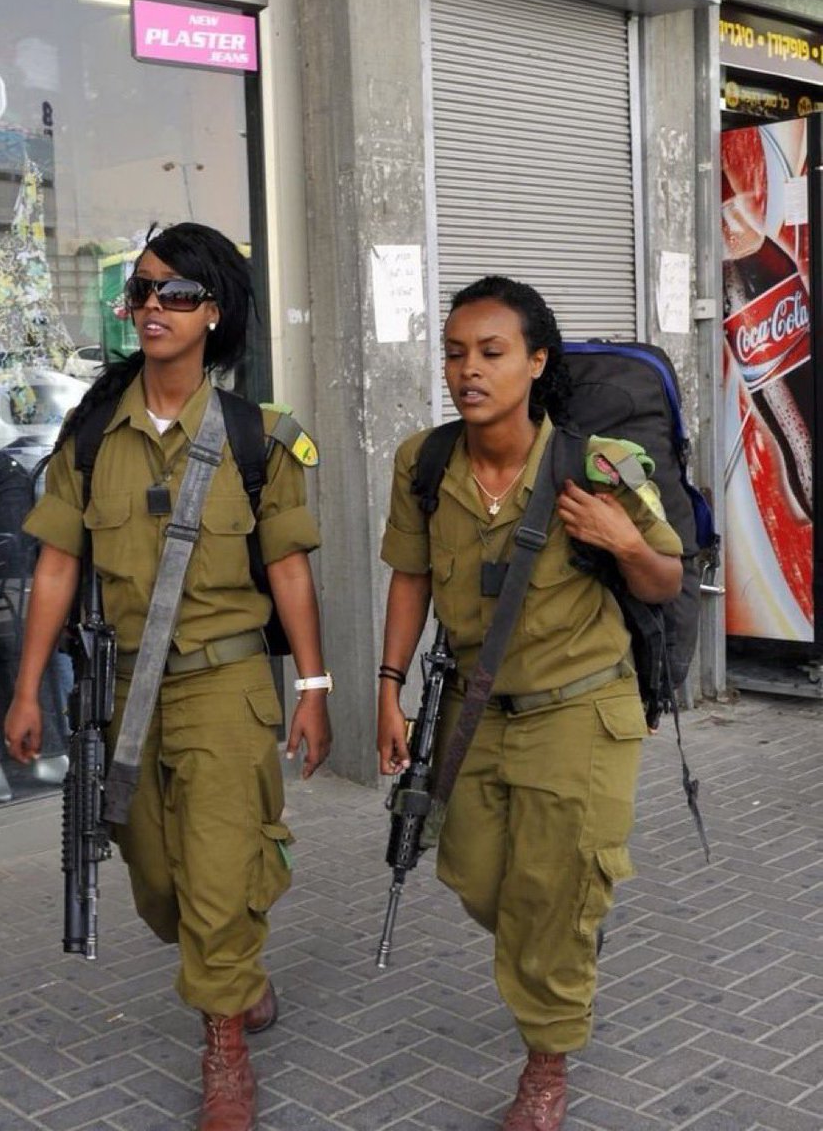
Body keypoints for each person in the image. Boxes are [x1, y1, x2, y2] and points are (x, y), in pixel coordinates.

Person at [3, 221, 332, 1131]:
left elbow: (292, 571)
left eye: (176, 293)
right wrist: (30, 687)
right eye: (142, 291)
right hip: (118, 699)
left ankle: (223, 1047)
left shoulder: (259, 439)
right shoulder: (89, 435)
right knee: (158, 881)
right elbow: (59, 567)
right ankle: (235, 972)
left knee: (222, 866)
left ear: (214, 314)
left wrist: (314, 690)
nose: (153, 306)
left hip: (226, 689)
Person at [376, 275, 682, 1131]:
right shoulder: (425, 461)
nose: (467, 370)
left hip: (580, 710)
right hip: (475, 716)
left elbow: (666, 579)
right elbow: (407, 576)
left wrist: (624, 540)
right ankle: (562, 931)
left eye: (491, 352)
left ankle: (546, 1061)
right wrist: (388, 688)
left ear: (537, 362)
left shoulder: (598, 464)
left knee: (550, 888)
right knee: (476, 874)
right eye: (454, 353)